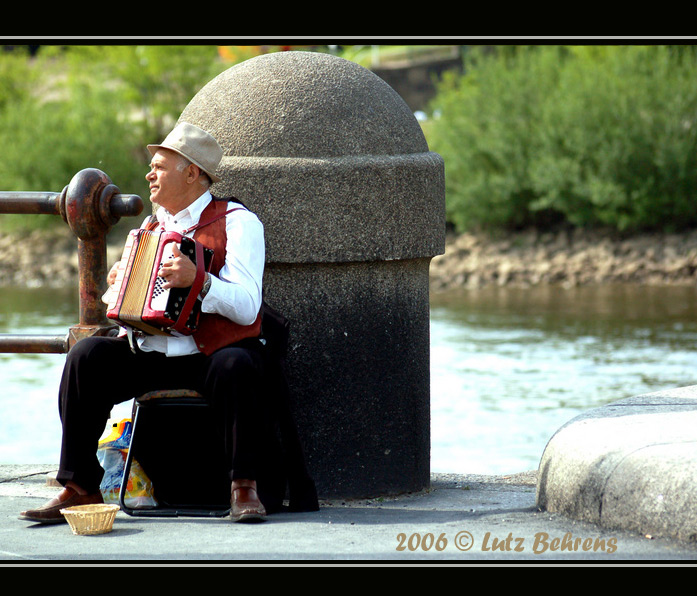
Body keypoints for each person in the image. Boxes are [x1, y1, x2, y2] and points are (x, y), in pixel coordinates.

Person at [20, 122, 276, 524]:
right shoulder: (149, 228)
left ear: (191, 172)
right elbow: (122, 309)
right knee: (86, 356)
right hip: (149, 352)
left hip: (207, 354)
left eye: (158, 166)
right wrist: (118, 288)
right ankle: (80, 486)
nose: (148, 175)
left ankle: (243, 487)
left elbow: (247, 307)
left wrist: (201, 281)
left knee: (239, 365)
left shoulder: (239, 222)